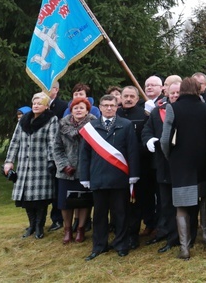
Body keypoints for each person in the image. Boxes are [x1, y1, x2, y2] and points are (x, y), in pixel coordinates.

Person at [78, 94, 140, 261]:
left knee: (120, 214)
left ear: (117, 106)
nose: (109, 108)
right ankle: (99, 246)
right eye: (105, 105)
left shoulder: (126, 125)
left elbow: (133, 152)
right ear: (100, 106)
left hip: (120, 177)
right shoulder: (91, 127)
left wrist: (133, 175)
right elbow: (84, 155)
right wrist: (84, 176)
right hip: (98, 178)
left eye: (112, 105)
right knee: (99, 215)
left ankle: (121, 244)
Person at [160, 77, 206, 260]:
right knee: (204, 197)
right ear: (198, 90)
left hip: (180, 160)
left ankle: (185, 248)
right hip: (203, 160)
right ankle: (205, 234)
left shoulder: (174, 107)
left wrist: (169, 155)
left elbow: (166, 138)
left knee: (181, 204)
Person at [4, 92, 59, 239]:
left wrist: (51, 161)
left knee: (40, 200)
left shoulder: (51, 120)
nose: (36, 105)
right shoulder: (23, 121)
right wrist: (9, 162)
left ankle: (40, 227)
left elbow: (52, 142)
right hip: (23, 165)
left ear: (46, 106)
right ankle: (32, 225)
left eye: (39, 103)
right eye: (34, 103)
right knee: (26, 198)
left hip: (41, 166)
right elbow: (15, 142)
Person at [141, 74, 181, 253]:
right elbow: (146, 131)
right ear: (166, 92)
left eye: (177, 92)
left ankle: (186, 235)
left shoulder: (189, 109)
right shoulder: (158, 111)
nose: (174, 96)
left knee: (184, 203)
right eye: (171, 92)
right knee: (165, 203)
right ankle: (168, 234)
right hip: (162, 164)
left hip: (183, 165)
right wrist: (150, 141)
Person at [117, 85, 157, 248]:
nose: (128, 99)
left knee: (141, 199)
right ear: (120, 97)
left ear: (137, 98)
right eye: (125, 96)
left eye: (132, 96)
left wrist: (132, 153)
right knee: (122, 202)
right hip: (118, 166)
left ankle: (141, 229)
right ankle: (122, 231)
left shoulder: (144, 116)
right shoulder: (116, 114)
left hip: (141, 166)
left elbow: (146, 139)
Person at [52, 96, 94, 243]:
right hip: (66, 171)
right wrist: (64, 165)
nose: (78, 110)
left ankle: (81, 229)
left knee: (84, 201)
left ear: (87, 110)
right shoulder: (62, 124)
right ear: (71, 109)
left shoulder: (93, 124)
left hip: (86, 170)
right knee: (65, 202)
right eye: (76, 107)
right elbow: (56, 147)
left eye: (82, 107)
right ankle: (68, 229)